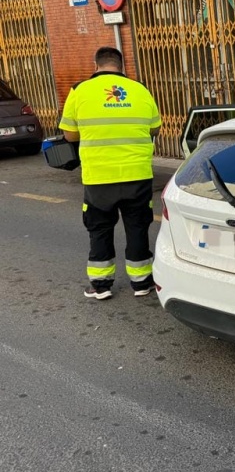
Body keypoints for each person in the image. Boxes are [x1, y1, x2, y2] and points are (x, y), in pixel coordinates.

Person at [59, 47, 162, 300]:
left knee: (100, 229)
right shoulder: (140, 90)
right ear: (121, 65)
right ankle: (142, 282)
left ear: (96, 65)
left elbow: (69, 134)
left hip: (99, 177)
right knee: (137, 227)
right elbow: (155, 129)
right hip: (137, 174)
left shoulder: (80, 90)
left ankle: (101, 286)